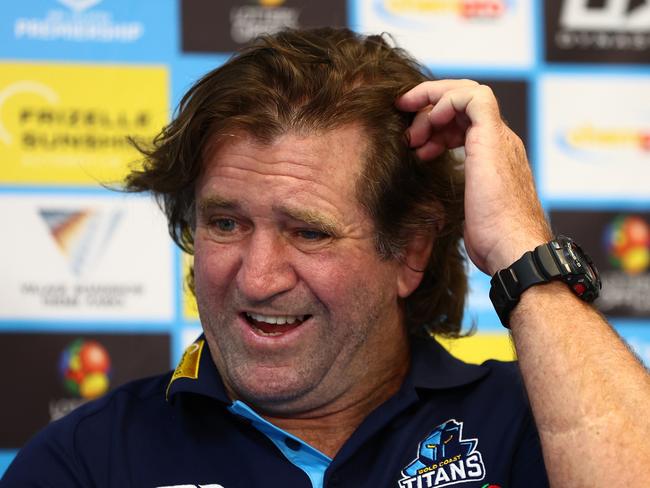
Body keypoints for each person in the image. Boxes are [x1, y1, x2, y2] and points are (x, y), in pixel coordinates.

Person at [2, 27, 648, 488]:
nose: (256, 277)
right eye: (226, 223)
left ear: (411, 250)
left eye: (308, 232)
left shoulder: (536, 422)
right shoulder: (88, 460)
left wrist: (523, 252)